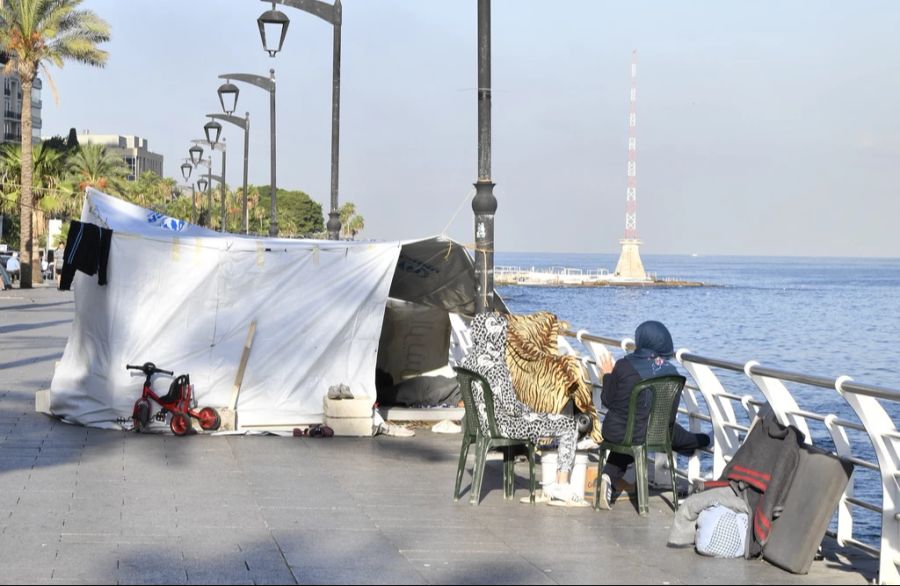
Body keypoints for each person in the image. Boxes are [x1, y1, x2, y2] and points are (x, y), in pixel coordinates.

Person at [462, 312, 588, 507]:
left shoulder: (469, 361)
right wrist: (533, 412)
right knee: (567, 425)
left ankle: (549, 486)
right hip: (504, 426)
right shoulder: (496, 367)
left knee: (547, 420)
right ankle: (561, 485)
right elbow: (512, 407)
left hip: (481, 425)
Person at [596, 320, 711, 510]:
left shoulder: (623, 366)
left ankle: (608, 477)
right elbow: (669, 418)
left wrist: (607, 375)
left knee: (632, 438)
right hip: (656, 434)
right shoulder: (672, 372)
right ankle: (704, 441)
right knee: (678, 437)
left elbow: (607, 400)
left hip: (617, 432)